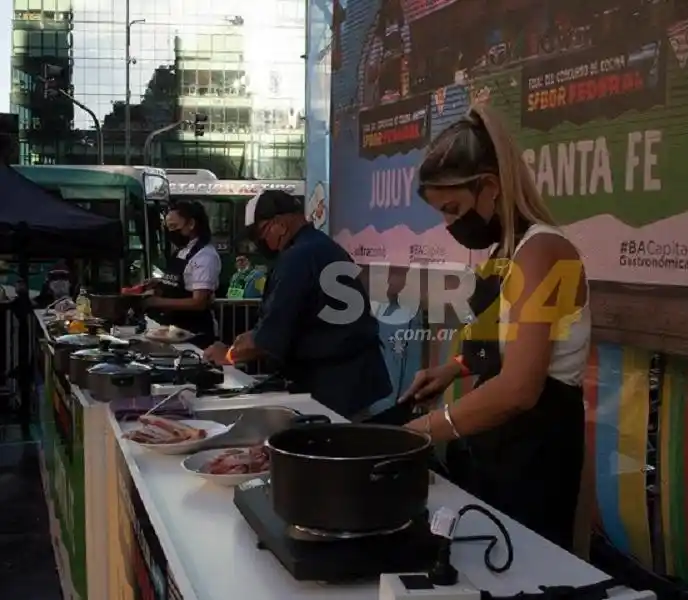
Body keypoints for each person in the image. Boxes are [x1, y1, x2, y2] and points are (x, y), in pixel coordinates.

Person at [399, 104, 591, 552]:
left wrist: (422, 431)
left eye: (453, 209)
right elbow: (506, 343)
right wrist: (454, 369)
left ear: (490, 187)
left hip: (536, 451)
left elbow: (521, 387)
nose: (449, 225)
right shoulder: (508, 253)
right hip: (499, 446)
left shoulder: (544, 253)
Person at [203, 190, 392, 418]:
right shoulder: (322, 247)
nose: (260, 243)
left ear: (280, 224)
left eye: (260, 234)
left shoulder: (297, 258)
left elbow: (270, 337)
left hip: (333, 387)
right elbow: (305, 315)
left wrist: (228, 354)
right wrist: (254, 335)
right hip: (354, 379)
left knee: (336, 447)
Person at [145, 200, 221, 349]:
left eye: (174, 227)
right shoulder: (181, 251)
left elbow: (199, 302)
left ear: (191, 224)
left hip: (194, 335)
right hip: (173, 332)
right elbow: (181, 281)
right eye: (168, 228)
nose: (171, 233)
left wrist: (156, 302)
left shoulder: (205, 256)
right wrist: (160, 282)